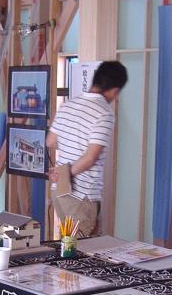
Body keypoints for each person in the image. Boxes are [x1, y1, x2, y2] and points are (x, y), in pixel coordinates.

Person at [47, 61, 128, 237]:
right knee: (82, 249)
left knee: (68, 243)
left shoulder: (68, 104)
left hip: (59, 191)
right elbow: (90, 158)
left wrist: (62, 170)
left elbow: (51, 141)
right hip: (81, 195)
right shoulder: (104, 113)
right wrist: (65, 173)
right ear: (115, 90)